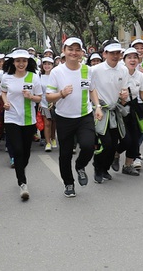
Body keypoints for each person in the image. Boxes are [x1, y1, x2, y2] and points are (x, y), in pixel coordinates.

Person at [46, 37, 102, 198]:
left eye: (77, 49)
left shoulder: (87, 70)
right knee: (65, 154)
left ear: (82, 53)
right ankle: (68, 183)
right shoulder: (57, 72)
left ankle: (80, 166)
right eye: (70, 49)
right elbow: (49, 96)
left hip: (84, 115)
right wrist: (61, 93)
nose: (74, 52)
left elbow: (92, 90)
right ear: (64, 51)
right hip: (64, 118)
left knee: (88, 145)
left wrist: (97, 106)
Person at [0, 49, 42, 200]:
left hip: (28, 119)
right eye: (18, 61)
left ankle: (20, 169)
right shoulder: (7, 77)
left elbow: (39, 98)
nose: (21, 64)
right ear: (13, 62)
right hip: (11, 118)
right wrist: (5, 102)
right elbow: (3, 92)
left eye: (24, 61)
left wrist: (31, 96)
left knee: (26, 153)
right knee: (17, 150)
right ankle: (22, 183)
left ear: (28, 62)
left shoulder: (34, 77)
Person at [91, 41, 129, 183]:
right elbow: (90, 89)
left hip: (115, 110)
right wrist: (96, 106)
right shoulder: (95, 70)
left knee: (114, 144)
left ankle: (105, 168)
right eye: (112, 53)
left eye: (117, 53)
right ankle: (97, 168)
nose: (115, 56)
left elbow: (124, 91)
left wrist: (124, 96)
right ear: (105, 54)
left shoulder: (123, 70)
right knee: (104, 143)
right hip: (101, 111)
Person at [39, 56, 57, 152]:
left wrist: (55, 101)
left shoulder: (56, 75)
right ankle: (48, 142)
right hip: (44, 103)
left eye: (49, 64)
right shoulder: (40, 76)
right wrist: (39, 102)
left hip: (55, 103)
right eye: (45, 64)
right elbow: (38, 91)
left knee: (54, 122)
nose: (47, 66)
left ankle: (53, 138)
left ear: (52, 65)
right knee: (47, 123)